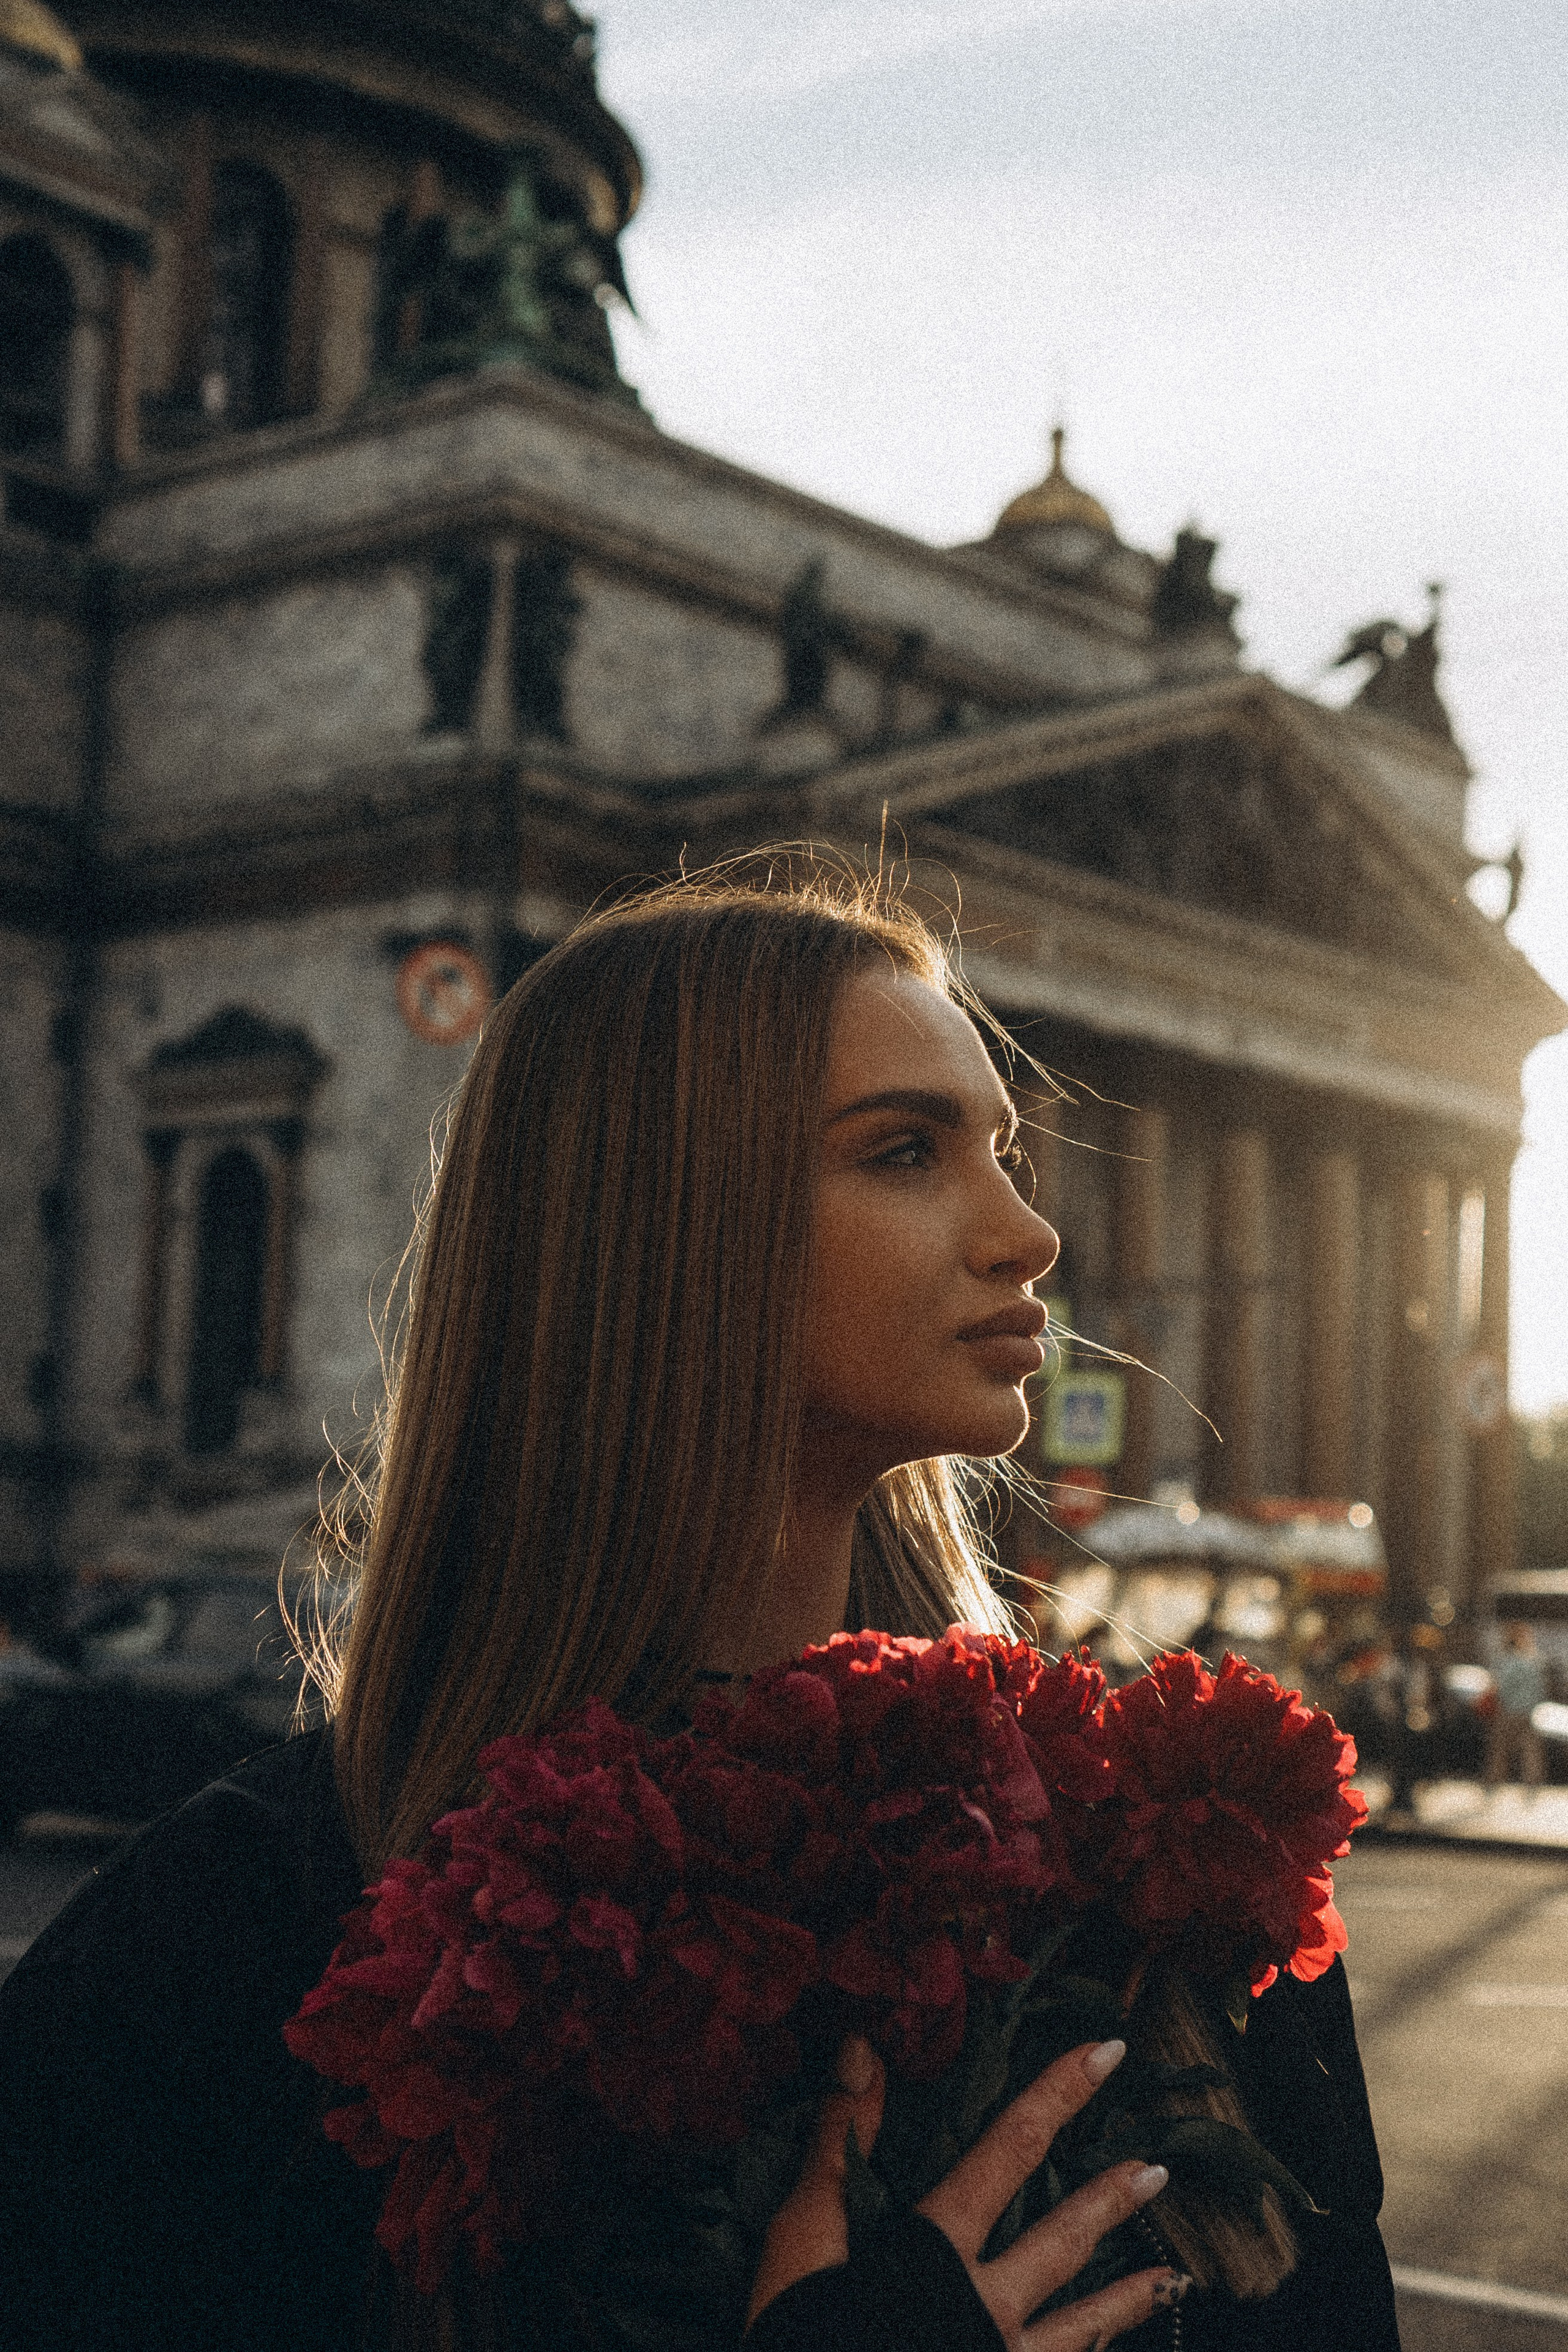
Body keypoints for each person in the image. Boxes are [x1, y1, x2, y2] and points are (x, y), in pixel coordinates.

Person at [0, 869, 1399, 2350]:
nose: (1027, 1233)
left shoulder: (1157, 1878)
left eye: (1001, 1149)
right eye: (904, 1151)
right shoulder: (238, 1940)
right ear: (654, 1226)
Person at [1486, 1621, 1548, 1791]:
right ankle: (1532, 1782)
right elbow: (1540, 1690)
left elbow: (1500, 1688)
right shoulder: (1533, 1663)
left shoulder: (1506, 1662)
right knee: (1530, 1749)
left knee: (1500, 1749)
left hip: (1507, 1711)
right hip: (1528, 1712)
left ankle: (1494, 1781)